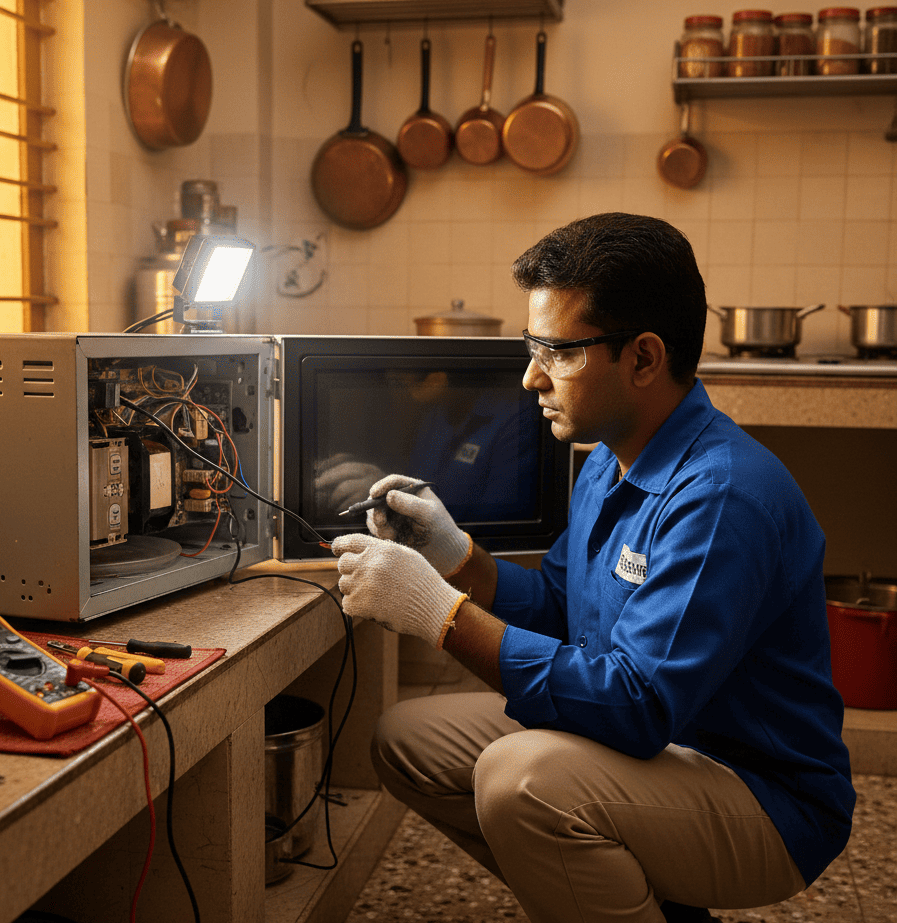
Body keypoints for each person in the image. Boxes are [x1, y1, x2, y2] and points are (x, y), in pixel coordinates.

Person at [331, 213, 855, 923]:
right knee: (406, 741)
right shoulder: (608, 460)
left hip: (762, 796)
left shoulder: (722, 495)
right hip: (658, 753)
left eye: (557, 350)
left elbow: (637, 706)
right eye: (530, 345)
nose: (529, 375)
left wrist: (439, 614)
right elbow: (559, 602)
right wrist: (459, 559)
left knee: (522, 782)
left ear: (642, 359)